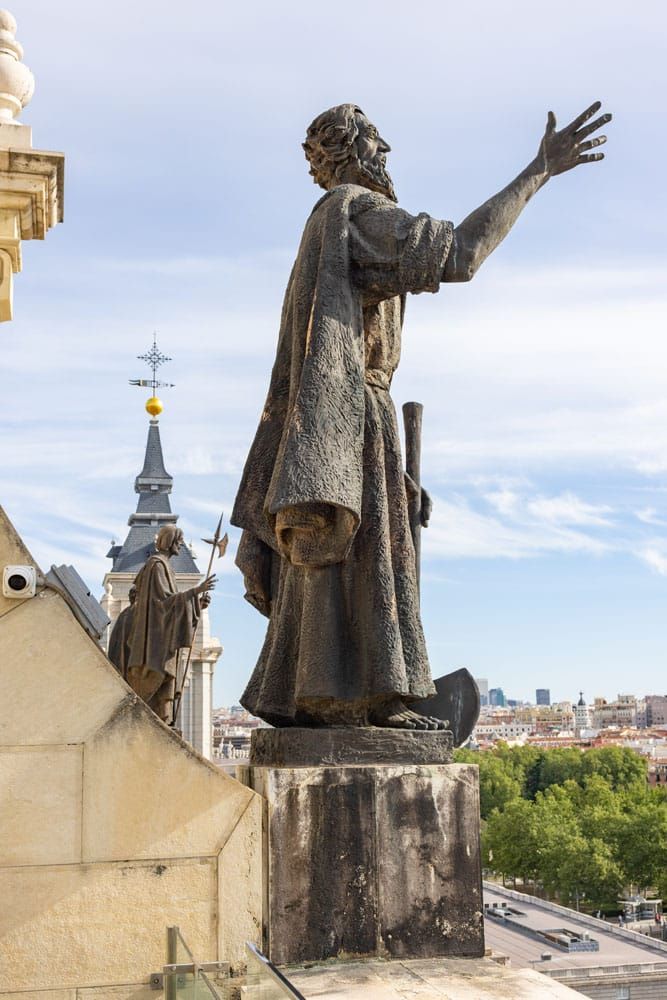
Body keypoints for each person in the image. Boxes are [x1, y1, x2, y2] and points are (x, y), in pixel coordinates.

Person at [232, 101, 611, 730]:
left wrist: (397, 477)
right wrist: (538, 172)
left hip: (339, 420)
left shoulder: (328, 220)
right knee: (369, 557)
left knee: (355, 555)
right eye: (379, 142)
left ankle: (327, 697)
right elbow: (459, 253)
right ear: (353, 151)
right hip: (353, 417)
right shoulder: (359, 212)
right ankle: (366, 701)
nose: (387, 155)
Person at [126, 525, 216, 724]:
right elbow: (162, 603)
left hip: (162, 643)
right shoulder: (156, 565)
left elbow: (171, 605)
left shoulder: (165, 566)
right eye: (179, 540)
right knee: (155, 698)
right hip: (155, 646)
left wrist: (197, 606)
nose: (182, 544)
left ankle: (163, 725)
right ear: (171, 541)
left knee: (162, 705)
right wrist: (195, 591)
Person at [107, 584, 137, 680]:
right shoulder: (125, 614)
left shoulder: (127, 613)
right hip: (124, 654)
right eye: (130, 594)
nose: (131, 597)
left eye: (133, 594)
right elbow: (114, 639)